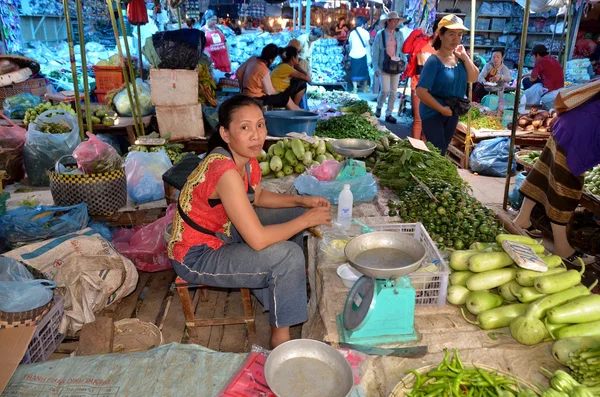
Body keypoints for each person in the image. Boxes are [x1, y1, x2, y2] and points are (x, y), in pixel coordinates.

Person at [168, 95, 332, 349]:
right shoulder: (224, 171)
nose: (256, 135)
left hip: (222, 233)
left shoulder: (245, 160)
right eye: (244, 127)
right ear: (225, 133)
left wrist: (302, 203)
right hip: (196, 256)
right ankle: (280, 339)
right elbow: (257, 240)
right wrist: (305, 219)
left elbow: (259, 196)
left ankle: (283, 291)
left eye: (260, 125)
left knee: (292, 218)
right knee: (288, 254)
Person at [513, 85, 600, 266]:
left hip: (569, 124)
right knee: (565, 189)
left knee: (543, 173)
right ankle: (562, 248)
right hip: (580, 137)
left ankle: (522, 219)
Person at [416, 14, 479, 155]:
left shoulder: (460, 59)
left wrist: (465, 57)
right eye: (451, 34)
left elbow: (474, 77)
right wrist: (441, 109)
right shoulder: (434, 61)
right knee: (438, 151)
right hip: (433, 112)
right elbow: (421, 91)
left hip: (453, 112)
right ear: (440, 35)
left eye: (459, 35)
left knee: (441, 152)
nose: (456, 39)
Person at [402, 18, 440, 141]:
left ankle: (424, 151)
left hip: (435, 89)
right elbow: (405, 49)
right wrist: (416, 32)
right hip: (418, 85)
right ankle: (415, 149)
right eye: (440, 31)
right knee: (418, 119)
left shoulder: (445, 49)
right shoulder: (422, 42)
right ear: (434, 31)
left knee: (429, 121)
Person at [236, 44, 302, 110]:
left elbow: (238, 73)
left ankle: (299, 111)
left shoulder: (252, 59)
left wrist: (243, 89)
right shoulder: (264, 70)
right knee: (285, 97)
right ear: (272, 59)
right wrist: (277, 91)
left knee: (284, 97)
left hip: (245, 93)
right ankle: (300, 112)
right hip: (256, 97)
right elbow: (269, 92)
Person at [372, 12, 407, 124]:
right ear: (388, 21)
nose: (395, 23)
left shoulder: (399, 34)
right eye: (393, 21)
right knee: (385, 90)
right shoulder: (380, 34)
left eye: (396, 21)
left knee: (393, 91)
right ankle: (379, 106)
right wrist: (376, 68)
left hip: (396, 65)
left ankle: (389, 113)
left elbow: (402, 50)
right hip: (384, 65)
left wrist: (405, 63)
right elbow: (375, 52)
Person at [201, 10, 232, 74]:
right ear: (207, 19)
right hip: (212, 62)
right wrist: (208, 61)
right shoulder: (202, 31)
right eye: (212, 20)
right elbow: (201, 48)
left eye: (215, 20)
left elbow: (225, 43)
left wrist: (229, 58)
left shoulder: (219, 29)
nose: (215, 22)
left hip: (224, 60)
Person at [347, 16, 371, 94]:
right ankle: (364, 88)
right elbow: (367, 45)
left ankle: (355, 89)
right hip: (363, 54)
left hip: (354, 54)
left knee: (354, 71)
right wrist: (369, 54)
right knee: (364, 71)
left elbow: (350, 45)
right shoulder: (366, 33)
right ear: (363, 24)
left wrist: (351, 52)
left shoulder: (352, 33)